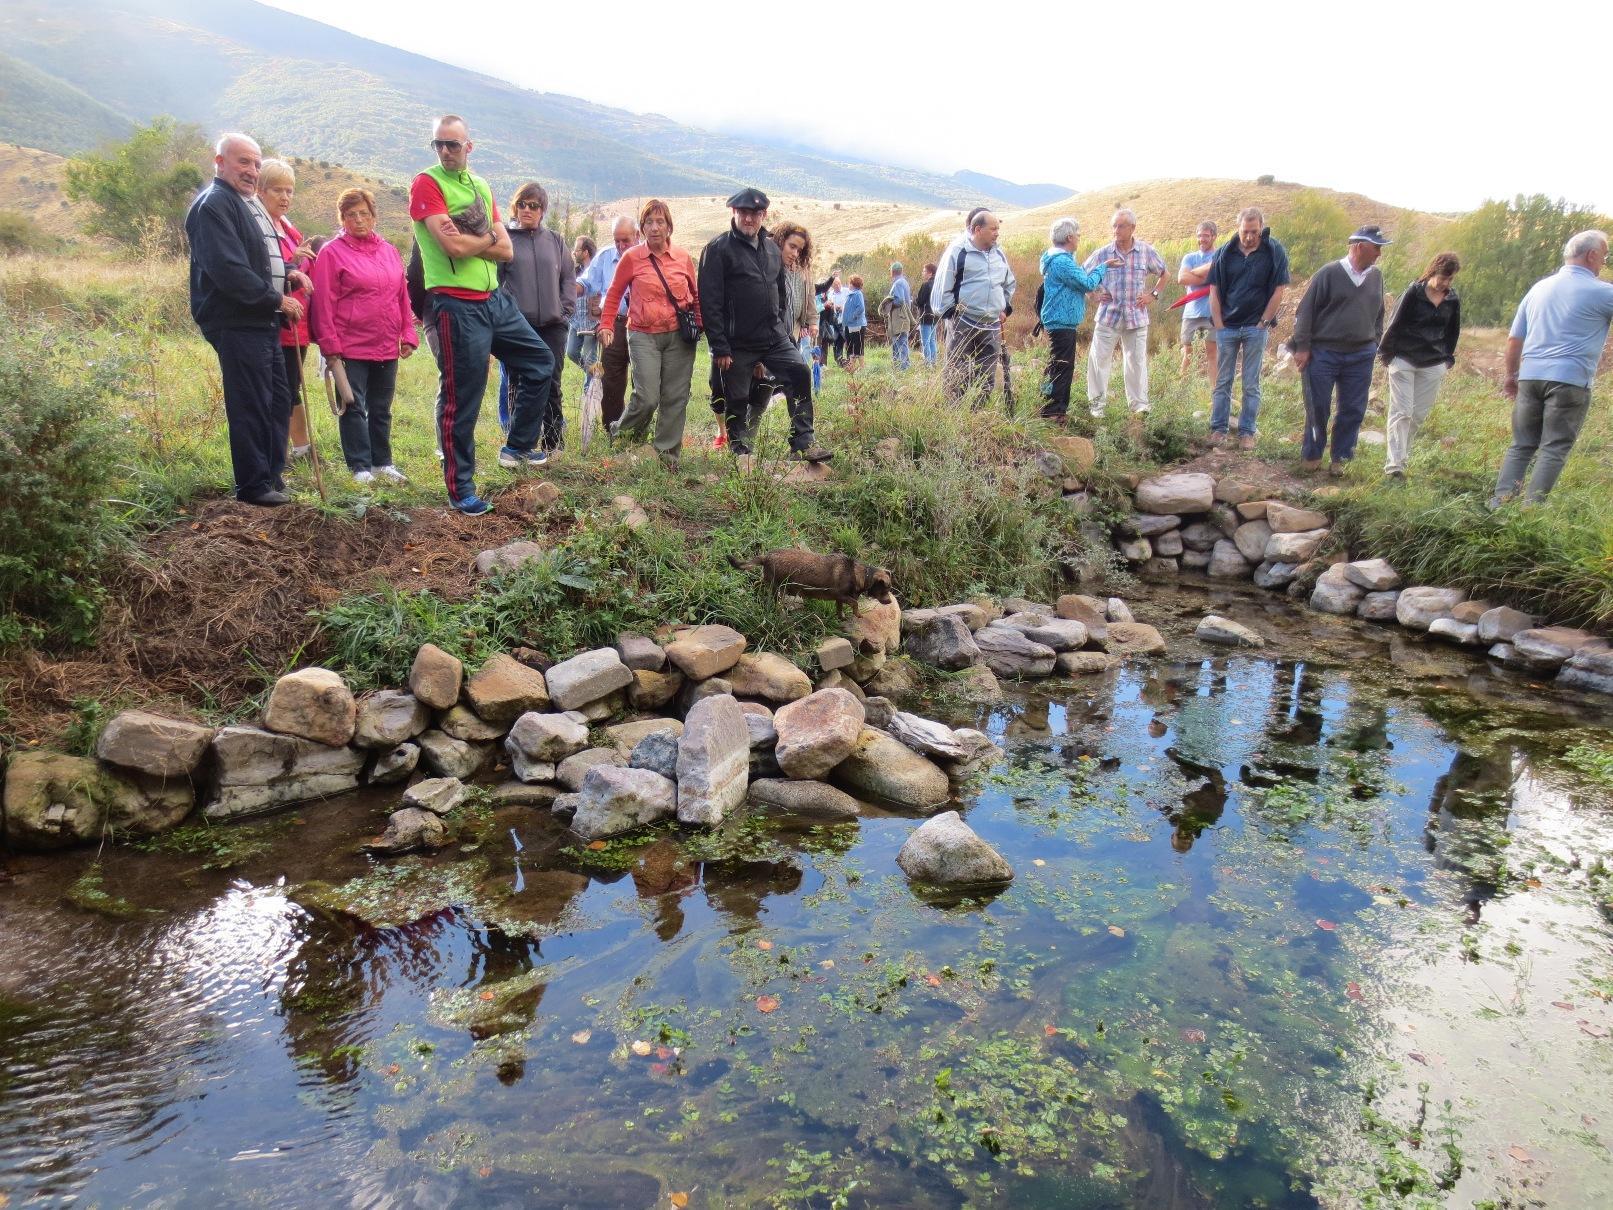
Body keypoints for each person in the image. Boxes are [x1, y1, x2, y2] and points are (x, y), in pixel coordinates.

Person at [410, 114, 555, 514]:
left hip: (493, 299)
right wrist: (487, 237)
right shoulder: (427, 184)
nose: (445, 151)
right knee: (464, 398)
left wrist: (477, 238)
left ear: (468, 146)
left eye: (453, 144)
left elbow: (505, 249)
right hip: (454, 304)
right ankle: (461, 490)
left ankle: (518, 447)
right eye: (438, 144)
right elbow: (451, 249)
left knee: (541, 361)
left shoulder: (481, 185)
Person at [185, 133, 307, 507]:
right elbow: (229, 269)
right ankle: (252, 486)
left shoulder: (243, 204)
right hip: (236, 320)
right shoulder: (213, 205)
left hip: (261, 319)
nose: (252, 170)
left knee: (277, 398)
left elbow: (257, 257)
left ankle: (271, 477)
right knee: (251, 400)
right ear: (219, 162)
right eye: (243, 162)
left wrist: (287, 271)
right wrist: (276, 299)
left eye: (256, 163)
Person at [698, 187, 831, 465]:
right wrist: (720, 346)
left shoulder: (771, 249)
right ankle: (740, 453)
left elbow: (780, 295)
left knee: (799, 373)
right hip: (737, 342)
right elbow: (709, 302)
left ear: (764, 215)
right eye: (744, 213)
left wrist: (781, 331)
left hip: (772, 336)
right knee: (736, 399)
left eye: (755, 214)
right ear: (734, 213)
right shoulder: (717, 249)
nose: (749, 219)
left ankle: (803, 443)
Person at [1491, 230, 1613, 505]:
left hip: (1530, 377)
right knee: (1553, 448)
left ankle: (1499, 506)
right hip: (1569, 381)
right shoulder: (1604, 293)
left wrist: (1511, 377)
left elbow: (1514, 339)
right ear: (1592, 255)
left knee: (1521, 445)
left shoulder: (1539, 288)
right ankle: (1530, 514)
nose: (1603, 263)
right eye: (1604, 256)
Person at [310, 188, 418, 484]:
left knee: (381, 407)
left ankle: (383, 462)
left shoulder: (389, 251)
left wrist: (407, 333)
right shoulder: (331, 252)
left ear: (374, 216)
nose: (359, 220)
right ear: (342, 218)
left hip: (385, 344)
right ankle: (360, 468)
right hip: (349, 346)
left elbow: (401, 296)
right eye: (351, 215)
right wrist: (330, 347)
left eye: (364, 214)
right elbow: (323, 303)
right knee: (353, 404)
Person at [599, 198, 701, 469]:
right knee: (647, 397)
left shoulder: (682, 258)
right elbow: (614, 293)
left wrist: (700, 324)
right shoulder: (632, 257)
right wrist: (607, 324)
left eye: (660, 222)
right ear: (642, 228)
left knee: (675, 396)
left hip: (678, 337)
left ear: (669, 227)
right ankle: (621, 433)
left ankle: (666, 456)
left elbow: (696, 295)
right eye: (649, 222)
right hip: (643, 335)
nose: (655, 228)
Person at [1292, 225, 1390, 474]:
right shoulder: (1329, 273)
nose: (1379, 253)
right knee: (1318, 406)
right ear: (1359, 247)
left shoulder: (1376, 276)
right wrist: (1302, 347)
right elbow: (1305, 312)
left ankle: (1341, 459)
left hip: (1360, 355)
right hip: (1324, 352)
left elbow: (1379, 313)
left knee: (1353, 409)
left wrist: (1374, 342)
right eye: (1376, 247)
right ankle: (1312, 455)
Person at [497, 181, 575, 454]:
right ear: (514, 207)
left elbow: (568, 277)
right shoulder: (504, 239)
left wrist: (565, 311)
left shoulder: (555, 240)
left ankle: (554, 444)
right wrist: (506, 317)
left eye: (533, 205)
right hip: (519, 326)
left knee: (552, 383)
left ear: (542, 210)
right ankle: (519, 446)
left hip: (553, 325)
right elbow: (495, 283)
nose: (527, 210)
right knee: (518, 384)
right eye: (522, 204)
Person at [1207, 207, 1290, 449]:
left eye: (1254, 232)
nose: (1250, 236)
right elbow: (1214, 290)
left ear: (1261, 229)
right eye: (1245, 231)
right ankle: (1218, 429)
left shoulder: (1273, 251)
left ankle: (1246, 432)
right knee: (1223, 380)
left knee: (1251, 383)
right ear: (1238, 228)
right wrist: (1219, 325)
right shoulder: (1224, 253)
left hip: (1256, 327)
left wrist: (1264, 321)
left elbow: (1278, 290)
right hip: (1228, 327)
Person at [1379, 252, 1462, 479]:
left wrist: (1448, 358)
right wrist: (1387, 356)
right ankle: (1394, 467)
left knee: (1417, 415)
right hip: (1404, 359)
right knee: (1402, 411)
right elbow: (1394, 324)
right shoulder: (1413, 293)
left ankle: (1401, 458)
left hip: (1434, 362)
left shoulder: (1452, 299)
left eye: (1450, 279)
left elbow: (1453, 331)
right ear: (1432, 271)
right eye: (1442, 277)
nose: (1445, 283)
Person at [256, 159, 316, 461]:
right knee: (281, 389)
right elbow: (260, 272)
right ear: (260, 191)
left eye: (289, 190)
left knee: (293, 385)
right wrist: (290, 261)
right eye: (277, 190)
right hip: (275, 320)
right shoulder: (259, 228)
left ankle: (302, 448)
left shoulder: (289, 227)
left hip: (298, 321)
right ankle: (278, 452)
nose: (284, 197)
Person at [1084, 208, 1168, 420]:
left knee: (1136, 361)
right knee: (1099, 360)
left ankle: (1139, 406)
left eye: (1121, 226)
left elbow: (1164, 273)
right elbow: (1081, 275)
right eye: (1114, 226)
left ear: (1132, 228)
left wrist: (1153, 295)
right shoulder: (1103, 253)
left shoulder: (1146, 251)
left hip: (1136, 317)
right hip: (1108, 316)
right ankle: (1096, 407)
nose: (1116, 230)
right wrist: (1093, 295)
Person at [933, 209, 1017, 404]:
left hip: (991, 324)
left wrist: (1004, 308)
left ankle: (977, 413)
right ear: (978, 229)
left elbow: (1008, 282)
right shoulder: (958, 251)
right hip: (964, 320)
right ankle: (953, 413)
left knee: (986, 372)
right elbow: (944, 283)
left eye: (998, 228)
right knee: (957, 369)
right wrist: (951, 313)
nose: (997, 232)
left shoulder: (999, 254)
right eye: (993, 228)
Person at [1038, 217, 1116, 420]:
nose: (1080, 239)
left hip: (1060, 320)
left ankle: (1048, 405)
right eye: (1078, 235)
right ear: (1070, 237)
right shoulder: (1062, 261)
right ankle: (1053, 410)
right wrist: (1104, 266)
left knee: (1057, 363)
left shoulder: (1057, 259)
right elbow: (1088, 283)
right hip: (1061, 321)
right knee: (1062, 366)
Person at [579, 215, 638, 428]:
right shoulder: (605, 257)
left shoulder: (646, 256)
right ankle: (612, 431)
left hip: (642, 326)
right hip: (613, 325)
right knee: (611, 381)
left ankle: (635, 431)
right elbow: (585, 282)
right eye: (617, 241)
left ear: (637, 236)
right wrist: (566, 290)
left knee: (641, 383)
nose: (621, 246)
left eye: (626, 240)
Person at [1177, 220, 1218, 381]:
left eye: (1206, 236)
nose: (1202, 239)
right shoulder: (1189, 257)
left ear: (1214, 236)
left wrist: (1193, 276)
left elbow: (1220, 278)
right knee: (1187, 353)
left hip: (1212, 313)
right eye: (1199, 236)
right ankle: (1181, 391)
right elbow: (1182, 278)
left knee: (1212, 354)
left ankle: (1216, 393)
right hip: (1191, 312)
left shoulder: (1220, 255)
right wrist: (1207, 278)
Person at [567, 235, 601, 371]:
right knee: (571, 352)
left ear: (586, 252)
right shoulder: (575, 272)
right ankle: (596, 375)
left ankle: (591, 389)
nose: (574, 253)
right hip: (576, 320)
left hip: (592, 321)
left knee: (589, 358)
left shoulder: (598, 270)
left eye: (577, 250)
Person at [880, 262, 915, 370]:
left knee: (901, 343)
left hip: (899, 319)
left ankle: (904, 368)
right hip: (902, 318)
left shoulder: (898, 283)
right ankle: (898, 367)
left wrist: (888, 302)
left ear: (892, 272)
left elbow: (899, 300)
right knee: (899, 343)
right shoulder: (904, 281)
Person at [914, 262, 939, 367]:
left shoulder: (926, 285)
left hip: (926, 316)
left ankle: (927, 364)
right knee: (932, 340)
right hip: (936, 316)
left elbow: (920, 301)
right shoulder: (939, 285)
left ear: (930, 273)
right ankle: (934, 362)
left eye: (924, 271)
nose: (922, 273)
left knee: (925, 341)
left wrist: (914, 301)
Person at [841, 274, 868, 371]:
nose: (848, 285)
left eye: (850, 283)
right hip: (850, 325)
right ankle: (851, 367)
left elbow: (860, 308)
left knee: (858, 347)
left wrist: (852, 317)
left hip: (857, 325)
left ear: (853, 284)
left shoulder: (858, 294)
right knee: (851, 346)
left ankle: (862, 368)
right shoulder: (851, 294)